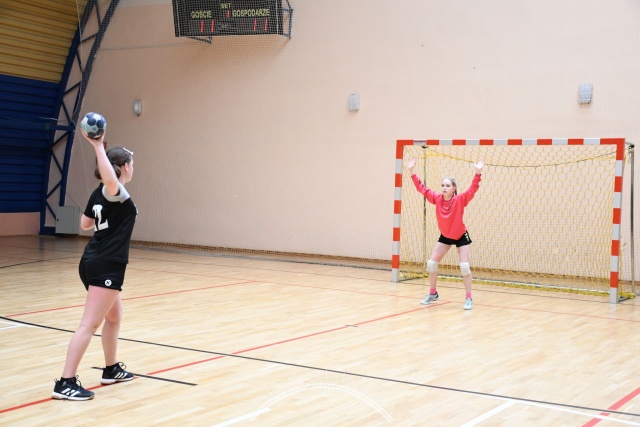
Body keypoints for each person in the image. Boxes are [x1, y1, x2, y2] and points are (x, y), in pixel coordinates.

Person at [52, 130, 137, 400]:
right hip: (106, 264)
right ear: (124, 167)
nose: (133, 168)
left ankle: (111, 369)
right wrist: (98, 145)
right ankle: (65, 382)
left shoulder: (100, 192)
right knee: (89, 324)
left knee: (114, 317)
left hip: (92, 260)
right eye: (131, 164)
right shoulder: (115, 191)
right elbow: (111, 183)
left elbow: (85, 224)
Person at [406, 157, 484, 310]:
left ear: (454, 188)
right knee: (431, 264)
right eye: (442, 185)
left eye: (448, 185)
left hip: (461, 236)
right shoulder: (437, 198)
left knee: (464, 267)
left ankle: (468, 298)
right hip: (446, 236)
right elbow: (422, 188)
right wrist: (411, 171)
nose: (444, 188)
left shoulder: (460, 199)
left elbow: (472, 189)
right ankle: (433, 293)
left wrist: (478, 172)